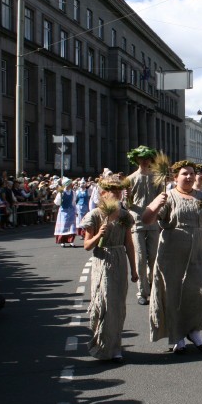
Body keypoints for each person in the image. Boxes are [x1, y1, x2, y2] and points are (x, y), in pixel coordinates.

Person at [143, 160, 202, 354]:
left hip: (199, 251)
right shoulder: (168, 196)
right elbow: (147, 220)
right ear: (175, 177)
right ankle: (178, 335)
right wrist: (155, 205)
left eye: (191, 173)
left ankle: (194, 329)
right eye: (184, 174)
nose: (189, 177)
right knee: (174, 294)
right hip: (172, 253)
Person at [81, 174, 139, 363]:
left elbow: (129, 244)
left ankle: (115, 345)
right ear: (102, 193)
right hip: (102, 261)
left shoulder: (124, 216)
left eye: (119, 191)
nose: (116, 194)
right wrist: (99, 234)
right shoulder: (94, 215)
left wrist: (134, 269)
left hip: (119, 259)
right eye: (112, 191)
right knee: (104, 304)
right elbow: (87, 245)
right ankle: (102, 344)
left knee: (117, 306)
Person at [125, 146, 163, 306]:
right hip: (137, 221)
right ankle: (142, 291)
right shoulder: (131, 178)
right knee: (140, 257)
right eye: (142, 158)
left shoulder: (156, 177)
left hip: (153, 221)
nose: (145, 161)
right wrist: (125, 198)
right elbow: (127, 204)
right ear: (137, 160)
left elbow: (162, 197)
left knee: (154, 256)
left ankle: (152, 285)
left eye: (147, 158)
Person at [53, 178, 77, 247]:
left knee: (71, 226)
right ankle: (62, 241)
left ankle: (71, 241)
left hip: (71, 211)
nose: (71, 185)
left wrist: (75, 211)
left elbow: (73, 202)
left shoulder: (73, 192)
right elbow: (57, 202)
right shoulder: (61, 192)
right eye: (69, 184)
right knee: (64, 226)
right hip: (63, 211)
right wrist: (60, 197)